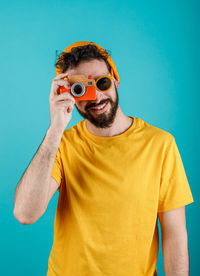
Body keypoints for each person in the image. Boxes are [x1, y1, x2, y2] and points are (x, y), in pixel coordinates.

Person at [14, 41, 194, 276]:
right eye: (81, 88)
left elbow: (175, 236)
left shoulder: (160, 144)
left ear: (115, 80)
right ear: (68, 93)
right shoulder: (61, 145)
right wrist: (55, 129)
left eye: (103, 83)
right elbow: (25, 214)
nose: (96, 96)